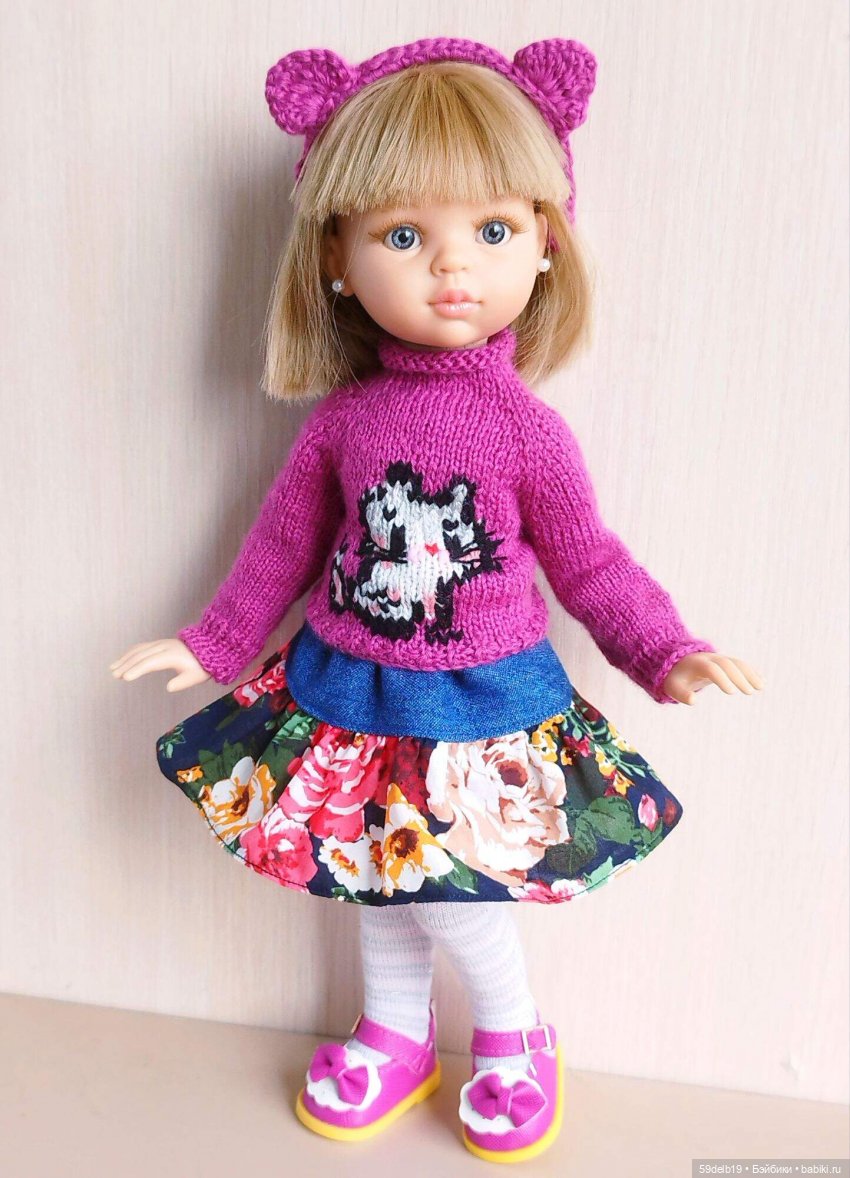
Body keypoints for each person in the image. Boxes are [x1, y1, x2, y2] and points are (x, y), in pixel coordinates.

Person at [109, 37, 763, 1163]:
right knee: (377, 876)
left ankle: (515, 1033)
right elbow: (281, 548)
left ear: (546, 242)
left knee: (452, 889)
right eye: (404, 236)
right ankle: (396, 1032)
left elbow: (590, 564)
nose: (453, 266)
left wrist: (666, 647)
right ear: (336, 256)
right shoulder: (343, 423)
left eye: (493, 231)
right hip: (352, 689)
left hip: (480, 702)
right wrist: (210, 643)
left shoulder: (525, 432)